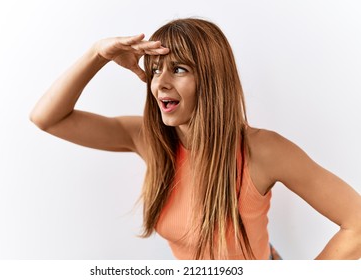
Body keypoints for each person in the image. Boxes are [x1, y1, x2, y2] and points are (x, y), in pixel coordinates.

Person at [30, 18, 361, 260]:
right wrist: (97, 54)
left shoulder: (262, 150)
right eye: (156, 69)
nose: (160, 83)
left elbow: (357, 224)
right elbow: (47, 118)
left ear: (212, 79)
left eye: (178, 69)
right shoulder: (149, 139)